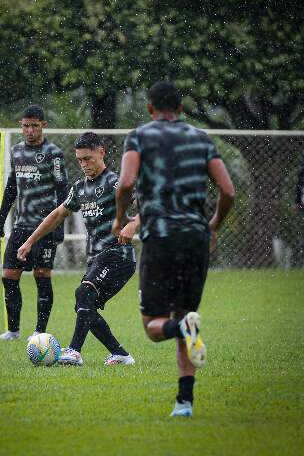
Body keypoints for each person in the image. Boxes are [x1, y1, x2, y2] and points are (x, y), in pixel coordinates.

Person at [113, 81, 235, 416]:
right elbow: (228, 191)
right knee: (186, 315)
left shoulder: (140, 136)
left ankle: (182, 330)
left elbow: (125, 183)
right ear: (180, 109)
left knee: (155, 326)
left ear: (150, 108)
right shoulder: (201, 138)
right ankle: (185, 403)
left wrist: (120, 216)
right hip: (196, 238)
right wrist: (213, 227)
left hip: (161, 236)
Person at [17, 132, 136, 366]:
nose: (84, 165)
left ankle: (73, 351)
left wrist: (133, 224)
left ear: (101, 152)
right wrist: (30, 241)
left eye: (88, 159)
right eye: (80, 160)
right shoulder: (80, 188)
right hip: (97, 258)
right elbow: (57, 215)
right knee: (84, 303)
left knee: (84, 294)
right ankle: (120, 354)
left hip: (118, 255)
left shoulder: (116, 183)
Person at [0, 105, 68, 341]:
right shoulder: (16, 152)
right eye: (25, 125)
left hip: (45, 226)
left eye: (34, 125)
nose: (29, 130)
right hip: (21, 225)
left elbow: (63, 191)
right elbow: (11, 189)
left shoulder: (53, 153)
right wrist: (0, 223)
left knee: (42, 274)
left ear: (43, 125)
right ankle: (13, 330)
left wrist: (59, 228)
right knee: (9, 275)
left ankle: (39, 330)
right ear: (21, 126)